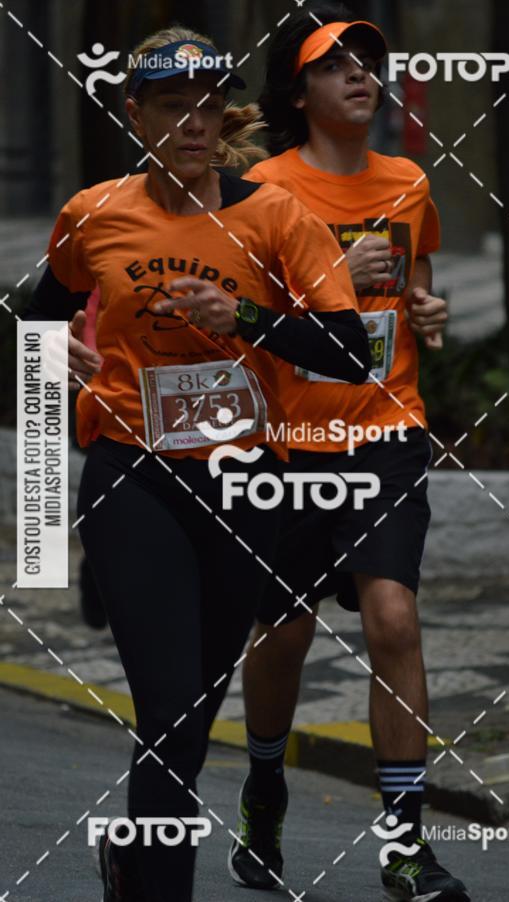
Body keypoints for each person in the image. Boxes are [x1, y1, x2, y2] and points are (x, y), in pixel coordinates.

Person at [25, 25, 371, 902]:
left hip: (245, 486)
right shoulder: (94, 212)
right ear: (136, 115)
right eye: (173, 106)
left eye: (208, 106)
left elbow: (348, 349)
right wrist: (55, 349)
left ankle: (134, 859)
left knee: (191, 715)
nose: (193, 122)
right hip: (130, 476)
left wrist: (242, 317)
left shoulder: (275, 216)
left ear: (225, 119)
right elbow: (42, 308)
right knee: (170, 706)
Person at [228, 7, 470, 901]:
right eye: (337, 66)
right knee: (282, 636)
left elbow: (417, 285)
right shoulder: (260, 187)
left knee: (394, 619)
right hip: (288, 444)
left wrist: (426, 311)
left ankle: (405, 848)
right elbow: (237, 334)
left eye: (369, 62)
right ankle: (262, 787)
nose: (362, 76)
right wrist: (330, 284)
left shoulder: (407, 181)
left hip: (386, 433)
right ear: (299, 91)